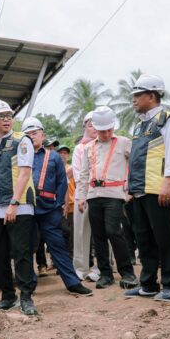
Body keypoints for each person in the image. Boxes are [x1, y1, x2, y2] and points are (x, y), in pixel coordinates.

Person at [124, 74, 170, 302]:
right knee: (144, 240)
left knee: (166, 239)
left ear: (151, 96)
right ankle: (148, 284)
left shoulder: (167, 119)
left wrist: (168, 181)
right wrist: (131, 187)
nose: (133, 99)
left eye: (137, 95)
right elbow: (137, 158)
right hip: (141, 190)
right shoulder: (140, 126)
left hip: (159, 190)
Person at [22, 117, 93, 296]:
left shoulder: (53, 156)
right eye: (28, 134)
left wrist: (60, 204)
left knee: (58, 246)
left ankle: (73, 283)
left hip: (49, 209)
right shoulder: (20, 156)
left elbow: (62, 181)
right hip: (26, 209)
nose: (32, 136)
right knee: (25, 248)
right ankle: (27, 287)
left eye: (35, 133)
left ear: (43, 135)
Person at [0, 99, 38, 315]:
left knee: (21, 252)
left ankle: (26, 297)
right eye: (0, 116)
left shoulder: (21, 141)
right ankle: (7, 296)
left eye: (8, 115)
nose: (6, 119)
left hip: (19, 205)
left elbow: (25, 173)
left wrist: (14, 203)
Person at [76, 106, 139, 290]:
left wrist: (131, 190)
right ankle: (105, 274)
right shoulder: (88, 147)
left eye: (109, 130)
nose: (106, 134)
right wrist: (81, 196)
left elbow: (136, 164)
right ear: (95, 128)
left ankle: (127, 272)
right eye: (102, 131)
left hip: (114, 195)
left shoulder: (124, 142)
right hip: (93, 195)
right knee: (98, 235)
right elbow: (84, 174)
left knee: (113, 231)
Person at [72, 112, 100, 282]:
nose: (94, 128)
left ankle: (101, 267)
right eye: (90, 125)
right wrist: (85, 192)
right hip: (83, 193)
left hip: (101, 193)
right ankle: (80, 268)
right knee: (81, 232)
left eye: (97, 124)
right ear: (85, 127)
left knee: (102, 232)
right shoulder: (79, 148)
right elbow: (78, 174)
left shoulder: (106, 145)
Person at [57, 145, 75, 256]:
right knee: (61, 232)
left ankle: (71, 256)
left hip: (72, 206)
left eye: (65, 153)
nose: (63, 155)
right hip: (59, 206)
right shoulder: (55, 168)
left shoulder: (73, 169)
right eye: (60, 153)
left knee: (72, 233)